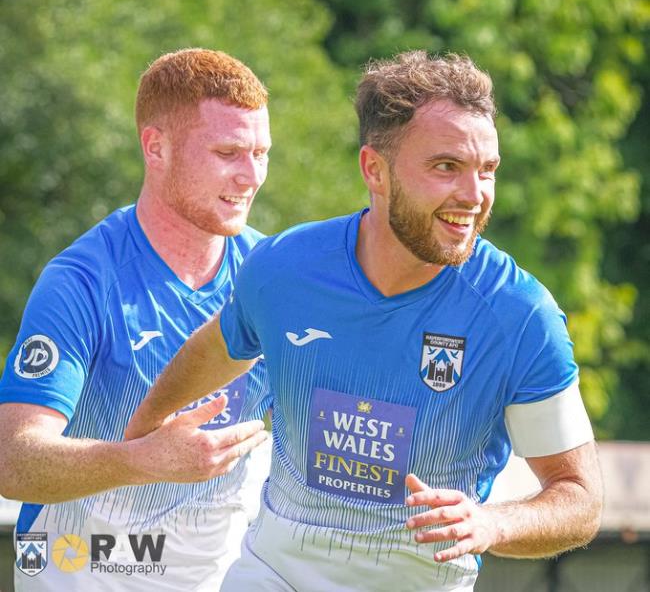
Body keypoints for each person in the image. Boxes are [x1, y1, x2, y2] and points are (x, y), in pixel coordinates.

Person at [126, 51, 603, 592]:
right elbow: (220, 346)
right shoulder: (285, 269)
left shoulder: (520, 315)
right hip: (276, 571)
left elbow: (579, 499)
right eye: (446, 167)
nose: (473, 196)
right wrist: (141, 435)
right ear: (374, 169)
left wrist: (492, 522)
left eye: (486, 170)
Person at [0, 48, 273, 591]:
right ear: (157, 148)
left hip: (214, 577)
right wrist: (142, 459)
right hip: (80, 572)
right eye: (227, 152)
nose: (250, 177)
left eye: (261, 153)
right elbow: (13, 461)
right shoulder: (82, 281)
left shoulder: (271, 277)